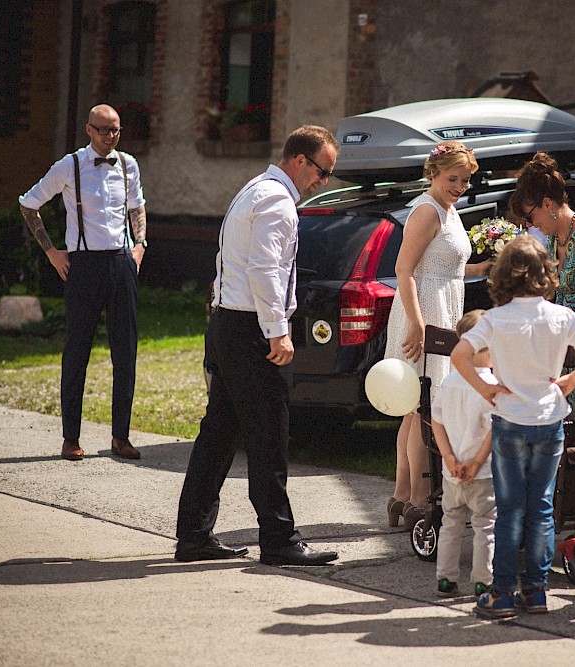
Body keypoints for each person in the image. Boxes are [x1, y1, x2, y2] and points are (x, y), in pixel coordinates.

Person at [174, 125, 340, 566]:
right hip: (251, 329)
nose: (322, 183)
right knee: (269, 435)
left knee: (219, 433)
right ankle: (280, 540)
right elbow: (264, 270)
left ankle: (193, 535)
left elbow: (228, 260)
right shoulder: (278, 201)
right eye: (322, 172)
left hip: (230, 323)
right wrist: (277, 330)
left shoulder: (254, 189)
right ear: (300, 161)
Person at [451, 234, 575, 618]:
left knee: (510, 510)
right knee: (541, 509)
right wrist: (571, 381)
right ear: (546, 274)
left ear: (504, 275)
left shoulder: (495, 319)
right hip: (550, 421)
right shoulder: (560, 316)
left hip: (508, 421)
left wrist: (486, 389)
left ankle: (502, 593)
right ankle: (536, 591)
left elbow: (459, 355)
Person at [19, 103, 147, 462]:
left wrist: (139, 246)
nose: (110, 137)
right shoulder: (69, 166)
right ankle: (70, 438)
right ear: (88, 130)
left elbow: (137, 207)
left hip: (122, 263)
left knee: (126, 352)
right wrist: (51, 252)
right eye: (104, 130)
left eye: (116, 130)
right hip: (84, 265)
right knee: (77, 351)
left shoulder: (128, 165)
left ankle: (120, 437)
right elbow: (29, 205)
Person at [384, 141, 492, 529]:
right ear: (433, 173)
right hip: (423, 314)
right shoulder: (427, 211)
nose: (460, 186)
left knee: (416, 411)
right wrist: (417, 323)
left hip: (443, 309)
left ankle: (400, 496)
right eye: (453, 179)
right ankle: (416, 499)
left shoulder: (449, 209)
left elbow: (446, 268)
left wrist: (482, 268)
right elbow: (404, 271)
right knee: (423, 410)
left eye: (465, 180)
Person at [510, 152, 575, 440]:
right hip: (561, 355)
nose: (531, 225)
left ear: (547, 204)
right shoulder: (554, 239)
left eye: (530, 216)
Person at [430, 309, 496, 599]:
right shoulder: (489, 387)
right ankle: (483, 581)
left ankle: (445, 579)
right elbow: (495, 429)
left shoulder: (449, 382)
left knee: (451, 525)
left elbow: (437, 421)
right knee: (485, 527)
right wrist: (477, 461)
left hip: (452, 472)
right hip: (481, 473)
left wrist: (448, 457)